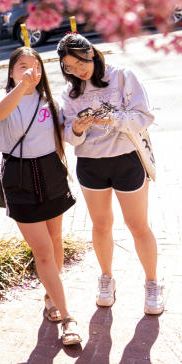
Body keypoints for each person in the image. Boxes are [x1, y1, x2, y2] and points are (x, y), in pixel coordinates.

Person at [56, 33, 164, 315]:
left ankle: (152, 283)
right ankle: (106, 279)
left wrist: (112, 118)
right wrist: (78, 128)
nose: (78, 70)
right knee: (101, 224)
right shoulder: (70, 94)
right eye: (69, 67)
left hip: (127, 160)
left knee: (138, 225)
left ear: (90, 53)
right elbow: (70, 135)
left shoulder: (123, 77)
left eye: (79, 62)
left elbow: (144, 117)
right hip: (91, 165)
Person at [0, 46, 81, 346]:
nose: (30, 71)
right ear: (12, 71)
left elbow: (62, 138)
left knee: (55, 242)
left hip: (50, 172)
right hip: (19, 177)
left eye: (35, 66)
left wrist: (78, 129)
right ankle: (68, 318)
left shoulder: (49, 102)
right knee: (42, 251)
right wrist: (21, 87)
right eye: (23, 66)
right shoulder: (2, 98)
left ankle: (51, 298)